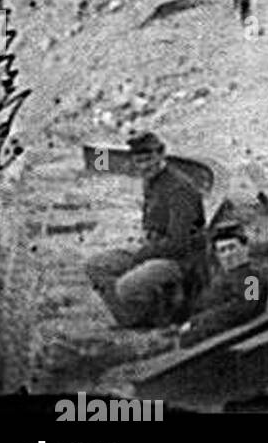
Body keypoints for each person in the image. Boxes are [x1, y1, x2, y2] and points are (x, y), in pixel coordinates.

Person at [85, 132, 207, 329]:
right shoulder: (152, 179)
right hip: (155, 248)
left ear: (161, 154)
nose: (144, 166)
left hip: (181, 259)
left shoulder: (179, 188)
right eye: (139, 161)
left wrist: (142, 255)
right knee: (96, 265)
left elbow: (178, 244)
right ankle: (134, 320)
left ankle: (157, 321)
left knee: (126, 287)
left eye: (149, 159)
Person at [178, 220, 268, 348]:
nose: (228, 255)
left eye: (232, 247)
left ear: (244, 248)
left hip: (230, 341)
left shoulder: (251, 278)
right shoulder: (222, 278)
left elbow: (245, 308)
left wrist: (198, 322)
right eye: (222, 250)